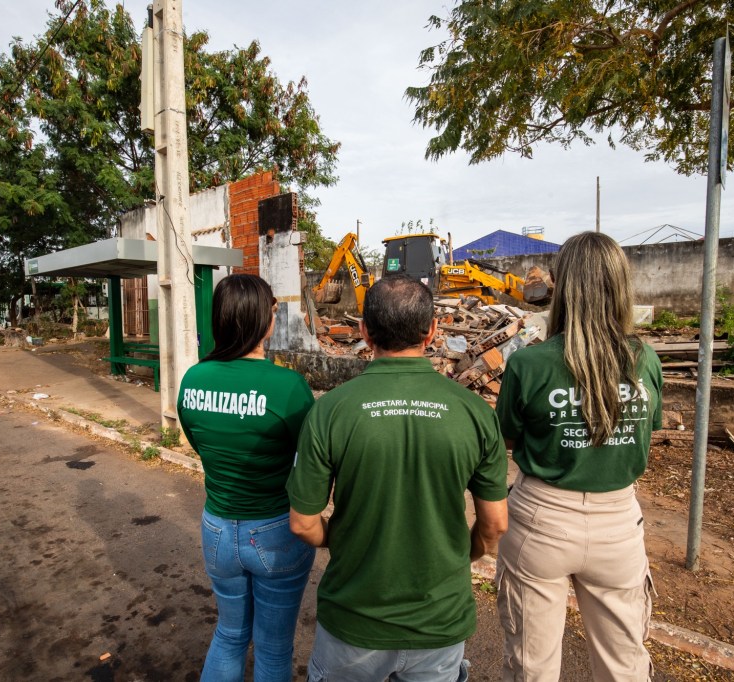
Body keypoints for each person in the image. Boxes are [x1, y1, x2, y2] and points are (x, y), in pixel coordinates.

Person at [287, 274, 509, 681]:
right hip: (439, 621)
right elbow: (494, 524)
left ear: (364, 331)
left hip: (353, 621)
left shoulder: (330, 411)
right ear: (432, 331)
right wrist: (462, 555)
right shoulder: (475, 412)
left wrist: (342, 539)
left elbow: (302, 523)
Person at [494, 232, 663, 681]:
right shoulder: (645, 361)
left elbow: (506, 438)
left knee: (531, 666)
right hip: (619, 524)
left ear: (561, 286)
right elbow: (647, 431)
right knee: (624, 666)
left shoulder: (528, 364)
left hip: (541, 520)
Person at [177, 273, 316, 682]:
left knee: (229, 634)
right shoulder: (287, 386)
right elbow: (311, 461)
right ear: (265, 321)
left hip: (217, 529)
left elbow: (200, 444)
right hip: (276, 530)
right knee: (273, 649)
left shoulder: (193, 379)